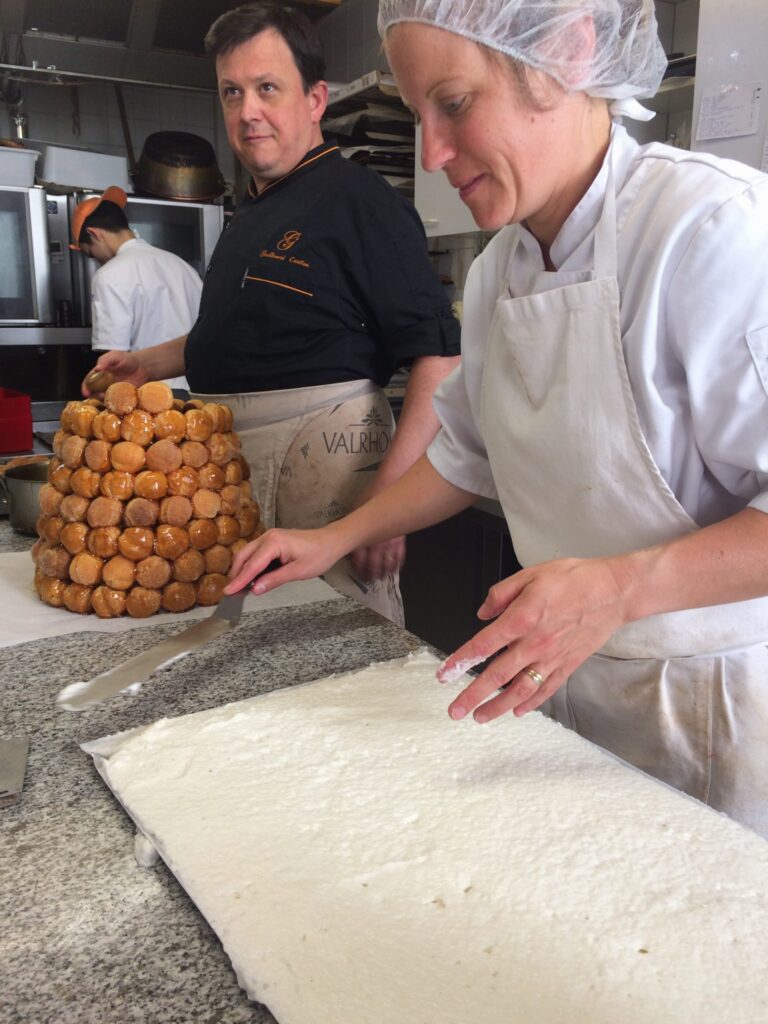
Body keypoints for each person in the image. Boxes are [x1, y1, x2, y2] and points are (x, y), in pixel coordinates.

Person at [226, 0, 768, 838]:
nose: (434, 155)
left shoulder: (711, 234)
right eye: (417, 116)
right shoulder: (497, 274)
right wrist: (337, 536)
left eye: (454, 103)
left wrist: (620, 587)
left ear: (566, 52)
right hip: (563, 686)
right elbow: (464, 457)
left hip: (715, 712)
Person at [82, 1, 461, 626]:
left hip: (327, 470)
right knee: (248, 659)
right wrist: (143, 364)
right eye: (232, 93)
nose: (247, 111)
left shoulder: (358, 199)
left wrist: (386, 501)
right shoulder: (249, 215)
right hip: (233, 466)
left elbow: (439, 357)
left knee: (335, 652)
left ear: (315, 99)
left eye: (266, 88)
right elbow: (241, 334)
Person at [71, 185, 202, 390]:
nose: (96, 260)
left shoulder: (108, 275)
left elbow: (112, 360)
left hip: (147, 395)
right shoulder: (182, 266)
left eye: (90, 253)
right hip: (198, 389)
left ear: (94, 233)